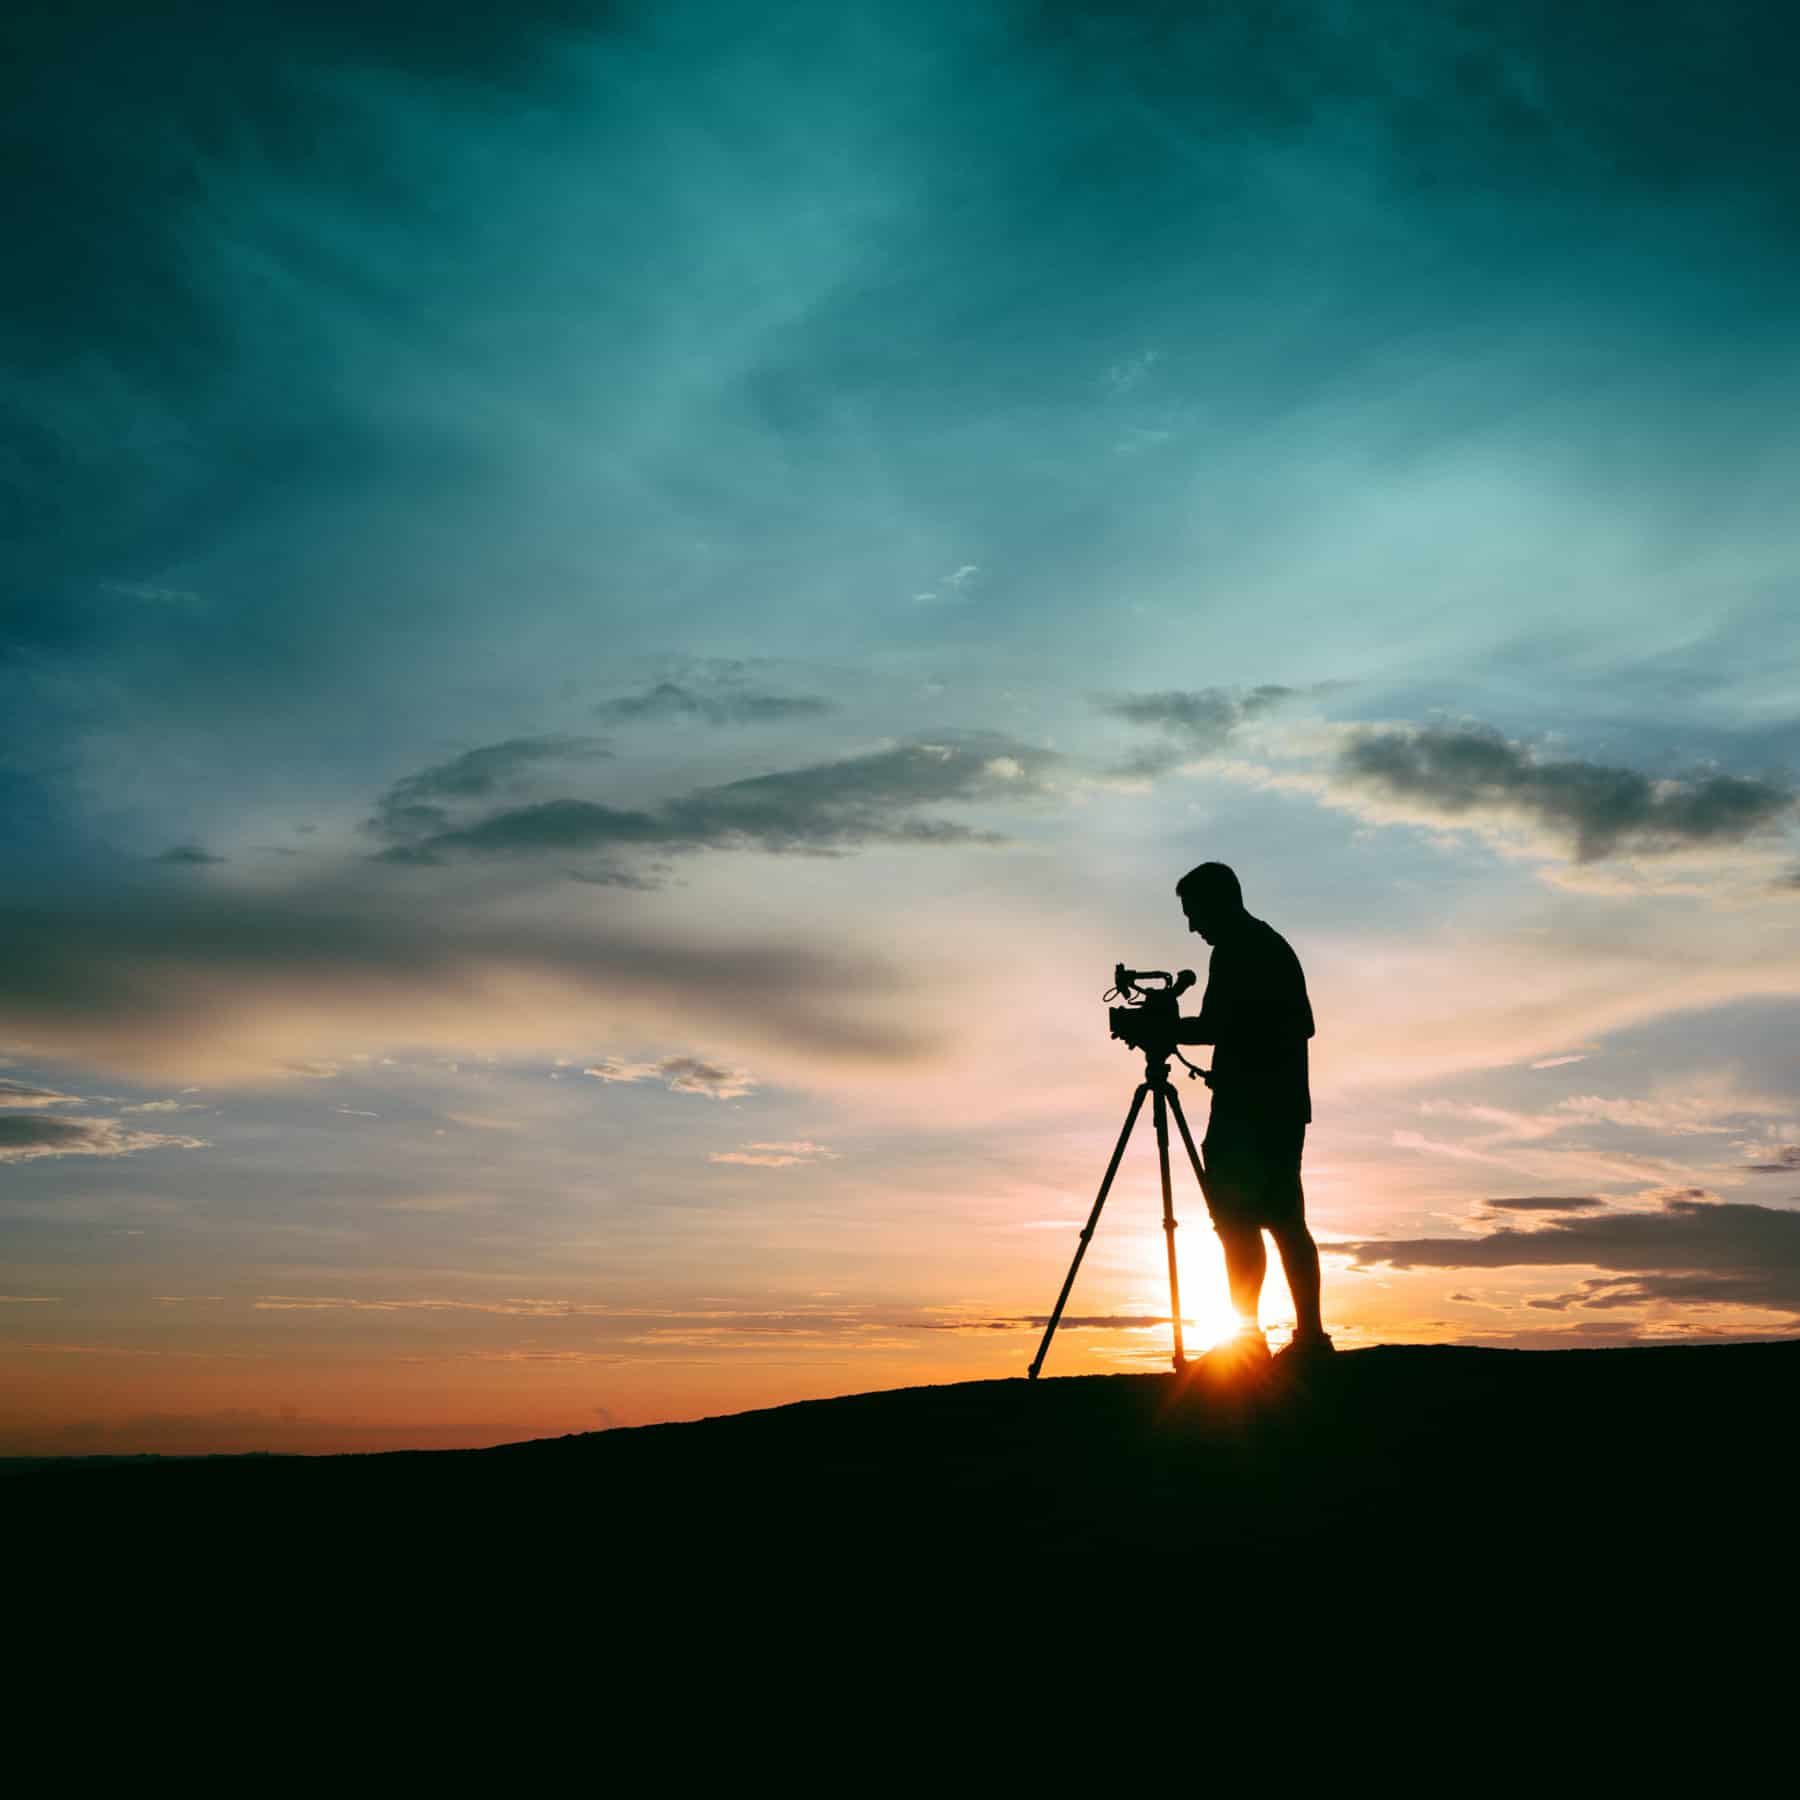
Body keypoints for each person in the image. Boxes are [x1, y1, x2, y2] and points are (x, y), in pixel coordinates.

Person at [1174, 861, 1333, 1372]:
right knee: (1270, 1221)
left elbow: (1233, 1025)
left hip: (1255, 1109)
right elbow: (1273, 1024)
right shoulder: (1262, 945)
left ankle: (1276, 1340)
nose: (1192, 927)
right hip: (1271, 1105)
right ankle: (1289, 1337)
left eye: (1194, 913)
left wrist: (1166, 1031)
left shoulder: (1244, 949)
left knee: (1256, 1222)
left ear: (1217, 902)